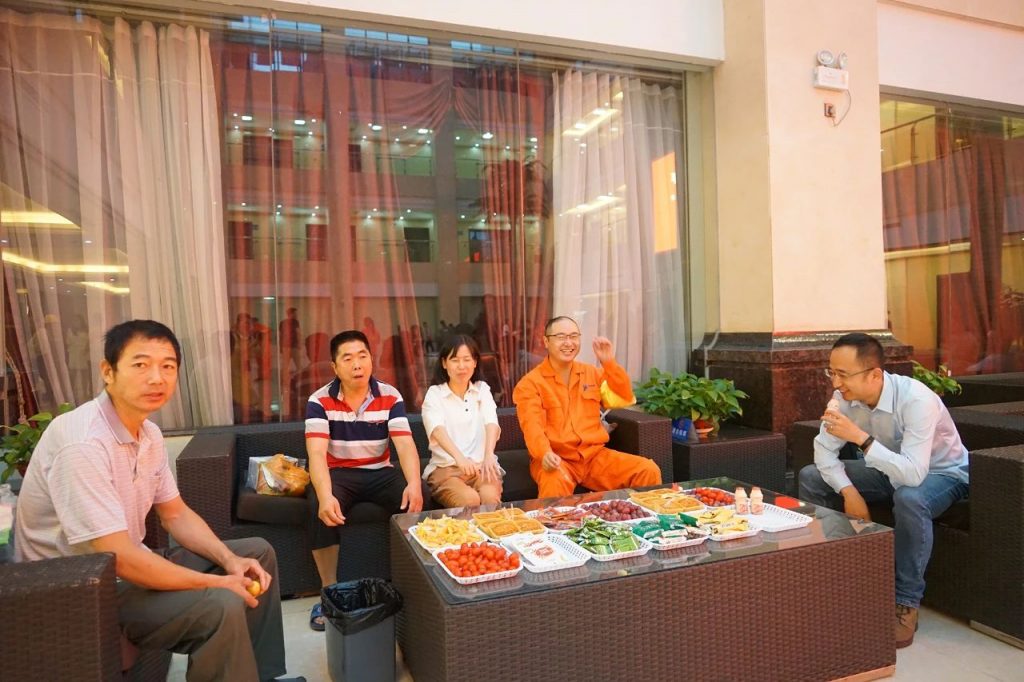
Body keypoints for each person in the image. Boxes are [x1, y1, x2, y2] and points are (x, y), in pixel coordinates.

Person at [14, 320, 302, 682]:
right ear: (108, 372)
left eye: (168, 366)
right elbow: (116, 557)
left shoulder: (148, 433)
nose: (156, 378)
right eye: (140, 364)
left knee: (255, 554)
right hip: (77, 590)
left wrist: (230, 561)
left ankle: (262, 676)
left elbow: (175, 514)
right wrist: (217, 583)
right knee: (222, 603)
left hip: (126, 565)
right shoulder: (83, 443)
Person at [798, 332, 970, 649]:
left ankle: (906, 603)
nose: (835, 383)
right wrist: (849, 492)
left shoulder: (916, 400)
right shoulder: (844, 398)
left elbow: (914, 474)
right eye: (831, 372)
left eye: (843, 374)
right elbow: (823, 451)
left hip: (943, 474)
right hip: (888, 470)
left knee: (909, 498)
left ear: (874, 375)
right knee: (812, 477)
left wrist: (860, 438)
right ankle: (836, 578)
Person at [304, 330, 425, 630]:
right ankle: (329, 592)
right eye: (347, 358)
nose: (357, 364)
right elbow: (316, 453)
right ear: (335, 367)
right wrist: (325, 495)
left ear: (372, 359)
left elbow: (405, 444)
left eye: (362, 356)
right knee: (319, 506)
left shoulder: (390, 395)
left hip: (379, 471)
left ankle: (418, 585)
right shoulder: (319, 400)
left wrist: (414, 484)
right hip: (338, 473)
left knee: (417, 500)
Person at [512, 316, 662, 499]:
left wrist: (609, 363)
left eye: (573, 336)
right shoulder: (530, 384)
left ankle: (645, 516)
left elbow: (623, 397)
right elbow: (532, 426)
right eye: (561, 337)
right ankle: (555, 520)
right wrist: (544, 454)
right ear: (546, 341)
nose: (569, 343)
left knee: (647, 470)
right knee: (554, 484)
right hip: (557, 459)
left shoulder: (591, 373)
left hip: (594, 457)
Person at [421, 335, 502, 508]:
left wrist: (489, 455)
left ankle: (492, 528)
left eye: (467, 359)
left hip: (482, 468)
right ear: (444, 363)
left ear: (475, 362)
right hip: (447, 470)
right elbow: (437, 429)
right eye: (455, 360)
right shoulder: (435, 393)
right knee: (469, 500)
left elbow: (491, 422)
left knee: (489, 498)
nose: (461, 366)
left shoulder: (482, 389)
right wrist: (460, 459)